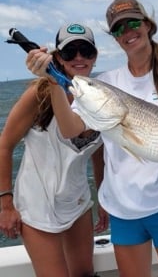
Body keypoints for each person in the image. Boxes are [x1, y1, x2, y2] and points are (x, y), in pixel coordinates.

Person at [26, 0, 158, 277]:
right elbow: (72, 130)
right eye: (119, 29)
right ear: (114, 38)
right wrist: (52, 82)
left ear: (147, 25)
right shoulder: (104, 83)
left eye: (133, 23)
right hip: (122, 210)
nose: (128, 32)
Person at [0, 23, 108, 277]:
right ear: (57, 57)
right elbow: (4, 145)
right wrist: (5, 204)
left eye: (86, 51)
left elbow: (99, 153)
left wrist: (103, 198)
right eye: (70, 52)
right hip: (37, 207)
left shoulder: (98, 94)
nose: (79, 57)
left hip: (78, 202)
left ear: (95, 56)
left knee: (84, 274)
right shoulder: (38, 94)